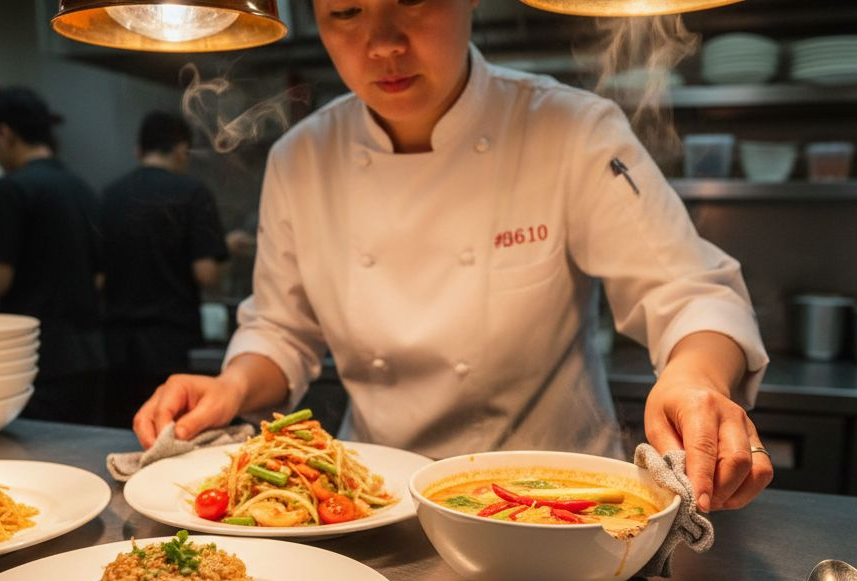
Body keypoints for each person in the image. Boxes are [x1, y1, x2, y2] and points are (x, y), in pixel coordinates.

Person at [134, 0, 773, 512]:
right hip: (373, 504)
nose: (382, 43)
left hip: (559, 502)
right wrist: (233, 384)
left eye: (412, 2)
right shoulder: (301, 159)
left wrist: (696, 378)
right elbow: (280, 328)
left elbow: (689, 291)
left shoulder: (569, 128)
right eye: (346, 13)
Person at [0, 87, 105, 424]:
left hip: (38, 360)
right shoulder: (81, 187)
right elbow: (100, 277)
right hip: (91, 355)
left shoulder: (12, 188)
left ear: (4, 134)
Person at [99, 111, 230, 427]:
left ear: (139, 151)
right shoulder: (193, 193)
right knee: (168, 435)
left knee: (121, 435)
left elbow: (98, 278)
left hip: (115, 348)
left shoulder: (109, 196)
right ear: (182, 149)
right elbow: (206, 273)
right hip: (170, 347)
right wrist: (230, 255)